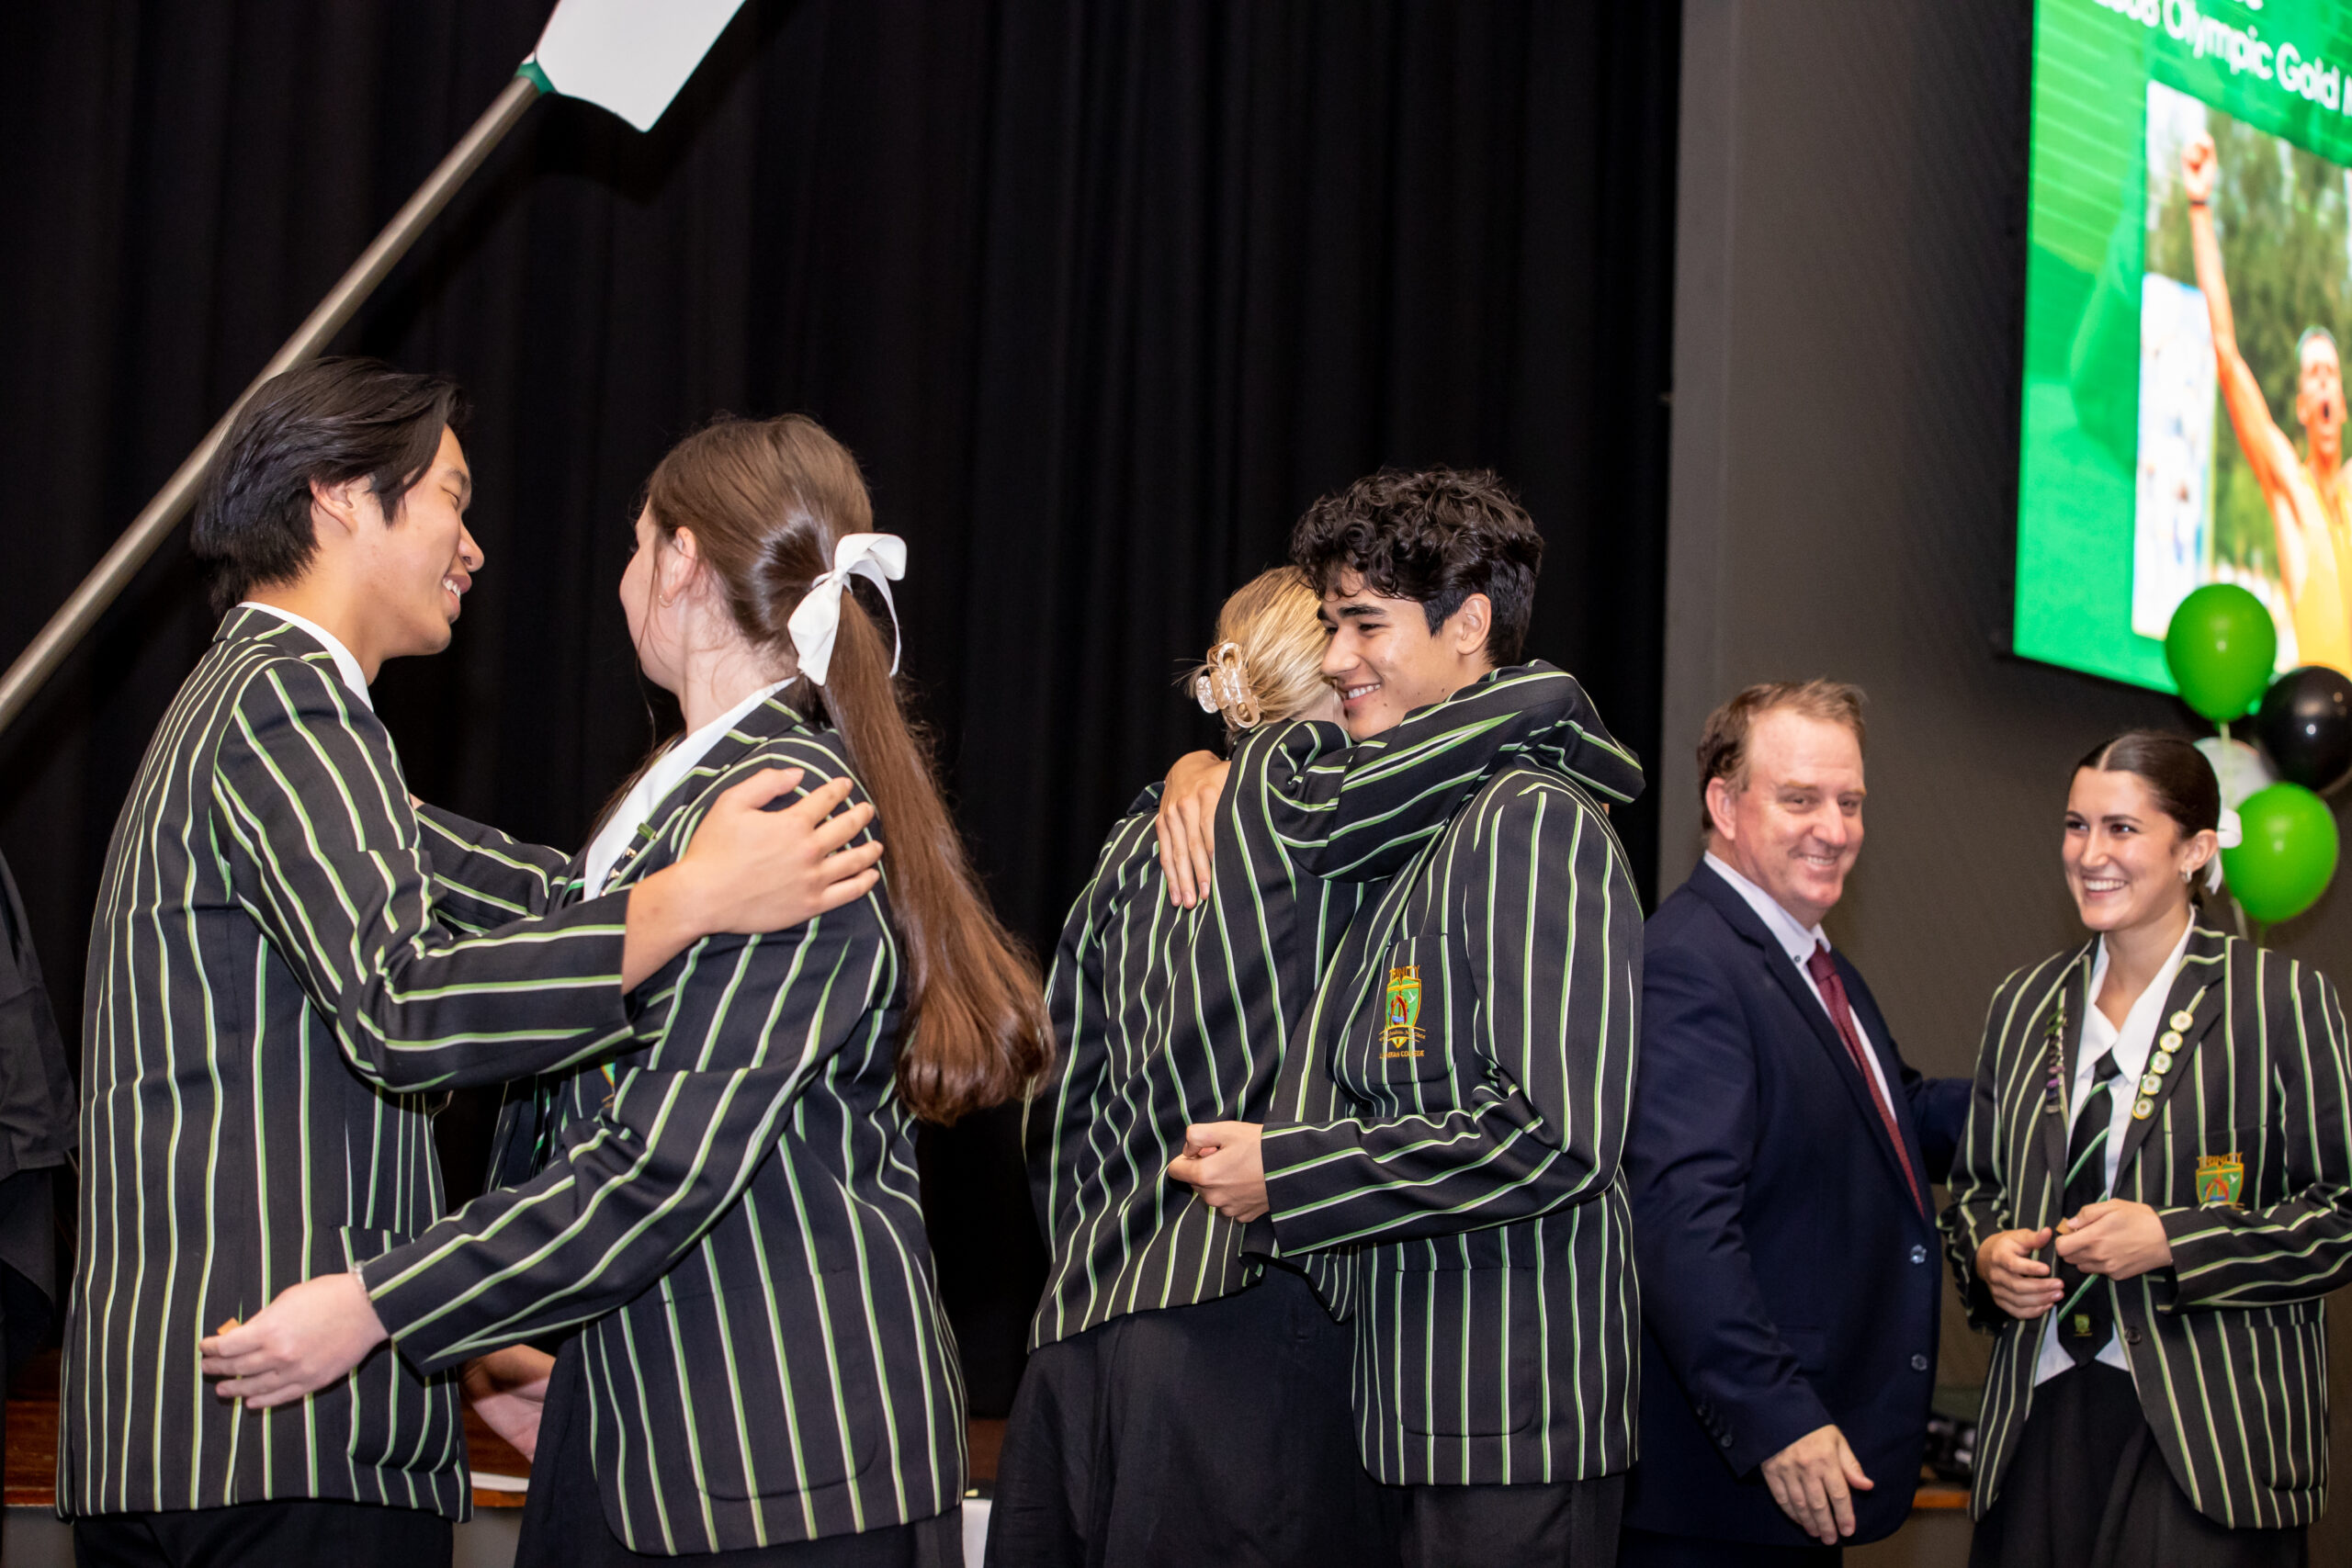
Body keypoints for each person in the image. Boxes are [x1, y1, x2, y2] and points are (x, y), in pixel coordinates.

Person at [198, 413, 1047, 1565]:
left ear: (682, 559)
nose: (622, 576)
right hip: (654, 1440)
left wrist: (380, 1304)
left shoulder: (784, 808)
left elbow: (661, 1168)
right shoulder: (692, 803)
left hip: (777, 1471)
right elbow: (560, 915)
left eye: (635, 543)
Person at [64, 365, 876, 1566]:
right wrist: (691, 895)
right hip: (280, 1420)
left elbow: (538, 900)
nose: (476, 546)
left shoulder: (249, 706)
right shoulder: (291, 702)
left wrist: (470, 1334)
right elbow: (402, 1004)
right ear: (343, 496)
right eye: (452, 496)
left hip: (202, 1428)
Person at [999, 567, 1618, 1567]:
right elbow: (1517, 713)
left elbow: (1055, 1098)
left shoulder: (1133, 838)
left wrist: (1095, 1250)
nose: (1359, 662)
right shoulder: (1332, 802)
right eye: (1345, 639)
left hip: (1078, 1328)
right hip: (1245, 1320)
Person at [1169, 469, 1645, 1568]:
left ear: (1467, 625)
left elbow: (1554, 1137)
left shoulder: (1530, 820)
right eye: (1330, 625)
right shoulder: (1432, 823)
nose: (1336, 658)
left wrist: (1290, 1172)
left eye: (1364, 624)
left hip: (1513, 1418)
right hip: (1417, 1414)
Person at [1944, 731, 2352, 1565]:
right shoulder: (2023, 1004)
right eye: (2076, 825)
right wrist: (1987, 1254)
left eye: (2122, 828)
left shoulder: (2279, 999)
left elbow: (2340, 1214)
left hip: (2211, 1441)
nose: (2090, 853)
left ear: (2195, 849)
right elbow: (1977, 1189)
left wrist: (2174, 1239)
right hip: (2038, 1421)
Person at [1619, 682, 1969, 1565]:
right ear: (1723, 803)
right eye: (1801, 799)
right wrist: (1776, 1417)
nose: (1835, 828)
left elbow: (1896, 1114)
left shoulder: (1810, 957)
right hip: (1731, 1494)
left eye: (1850, 801)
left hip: (1794, 1480)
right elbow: (1679, 1224)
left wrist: (2059, 1098)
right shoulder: (1692, 964)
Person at [2182, 130, 2352, 673]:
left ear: (2343, 401)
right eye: (2313, 375)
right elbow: (2227, 354)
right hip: (2325, 716)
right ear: (2301, 406)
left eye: (2331, 374)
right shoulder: (2289, 486)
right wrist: (2200, 206)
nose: (2323, 384)